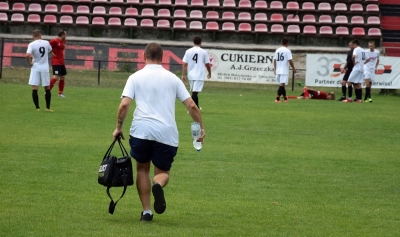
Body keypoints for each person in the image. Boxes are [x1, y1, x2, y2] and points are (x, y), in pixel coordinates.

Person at [112, 43, 205, 222]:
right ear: (162, 58)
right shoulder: (173, 79)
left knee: (142, 169)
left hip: (141, 131)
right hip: (166, 133)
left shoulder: (135, 77)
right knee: (162, 172)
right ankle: (158, 184)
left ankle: (146, 212)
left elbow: (124, 104)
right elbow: (191, 105)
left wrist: (118, 127)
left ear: (144, 56)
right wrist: (201, 127)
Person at [25, 29, 53, 112]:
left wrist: (30, 63)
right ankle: (48, 108)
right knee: (47, 87)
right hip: (44, 67)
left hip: (35, 67)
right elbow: (51, 51)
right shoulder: (46, 43)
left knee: (35, 88)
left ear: (33, 36)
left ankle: (37, 108)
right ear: (40, 35)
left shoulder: (32, 44)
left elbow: (27, 55)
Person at [181, 35, 211, 110]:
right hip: (199, 74)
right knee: (195, 92)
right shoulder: (204, 52)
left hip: (191, 74)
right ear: (201, 42)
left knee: (194, 92)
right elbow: (207, 64)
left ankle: (196, 107)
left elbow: (184, 64)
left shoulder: (188, 51)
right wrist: (209, 72)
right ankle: (193, 108)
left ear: (193, 42)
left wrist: (183, 75)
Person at [274, 38, 296, 102]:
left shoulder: (277, 50)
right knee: (281, 84)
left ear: (282, 42)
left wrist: (275, 69)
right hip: (284, 70)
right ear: (287, 43)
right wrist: (293, 68)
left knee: (282, 84)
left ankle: (285, 99)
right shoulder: (287, 51)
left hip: (278, 69)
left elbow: (275, 60)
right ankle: (277, 99)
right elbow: (290, 60)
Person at [49, 30, 67, 97]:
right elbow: (47, 45)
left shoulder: (64, 41)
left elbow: (64, 47)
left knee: (62, 77)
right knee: (56, 77)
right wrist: (51, 52)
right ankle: (47, 91)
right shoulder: (54, 41)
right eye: (65, 34)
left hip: (61, 62)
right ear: (62, 35)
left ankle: (60, 93)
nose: (66, 36)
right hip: (56, 62)